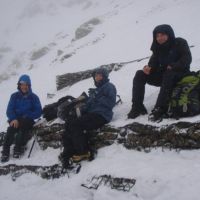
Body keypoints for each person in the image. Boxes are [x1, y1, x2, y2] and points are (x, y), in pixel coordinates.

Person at [127, 24, 192, 122]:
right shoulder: (157, 48)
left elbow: (187, 59)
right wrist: (148, 68)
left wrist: (174, 66)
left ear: (169, 34)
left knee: (168, 73)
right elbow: (153, 63)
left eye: (162, 35)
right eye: (157, 36)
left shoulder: (180, 43)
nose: (159, 38)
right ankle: (137, 106)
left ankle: (160, 108)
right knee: (140, 74)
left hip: (181, 75)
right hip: (165, 77)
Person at [60, 68, 117, 168]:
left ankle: (84, 152)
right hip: (92, 114)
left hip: (102, 115)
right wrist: (81, 109)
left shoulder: (109, 86)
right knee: (69, 123)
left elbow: (111, 103)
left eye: (100, 75)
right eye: (96, 76)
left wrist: (97, 97)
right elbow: (88, 105)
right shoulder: (97, 90)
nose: (97, 77)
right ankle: (68, 153)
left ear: (104, 76)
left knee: (76, 125)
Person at [1, 74, 42, 162]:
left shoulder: (34, 97)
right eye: (21, 84)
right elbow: (9, 110)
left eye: (25, 84)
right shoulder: (14, 96)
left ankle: (19, 148)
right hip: (16, 119)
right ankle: (5, 151)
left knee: (23, 128)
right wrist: (13, 118)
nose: (23, 87)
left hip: (28, 120)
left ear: (29, 85)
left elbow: (38, 112)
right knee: (11, 129)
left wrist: (28, 114)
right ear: (19, 85)